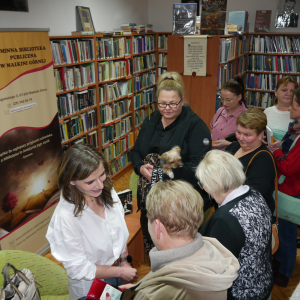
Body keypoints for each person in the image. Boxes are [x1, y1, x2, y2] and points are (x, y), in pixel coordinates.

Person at [131, 71, 212, 252]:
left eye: (173, 103)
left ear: (182, 101)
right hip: (151, 190)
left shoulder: (195, 125)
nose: (167, 108)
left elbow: (200, 165)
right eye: (162, 103)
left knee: (175, 242)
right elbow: (136, 151)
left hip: (181, 191)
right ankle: (153, 248)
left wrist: (162, 171)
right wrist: (140, 167)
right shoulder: (151, 120)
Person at [46, 144, 138, 300]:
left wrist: (125, 261)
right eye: (90, 182)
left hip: (116, 271)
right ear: (72, 181)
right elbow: (79, 268)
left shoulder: (105, 188)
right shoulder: (66, 217)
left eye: (102, 175)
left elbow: (118, 229)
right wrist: (120, 272)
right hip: (90, 286)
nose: (100, 185)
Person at [119, 180, 240, 300]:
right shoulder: (215, 254)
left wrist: (144, 294)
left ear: (158, 227)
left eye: (148, 218)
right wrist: (143, 288)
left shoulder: (152, 296)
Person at [197, 150, 273, 300]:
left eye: (202, 183)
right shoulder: (255, 194)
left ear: (214, 184)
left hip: (240, 294)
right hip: (263, 283)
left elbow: (216, 270)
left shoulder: (226, 219)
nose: (203, 188)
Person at [270, 88, 300, 287]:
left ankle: (285, 273)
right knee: (281, 230)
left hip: (291, 192)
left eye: (295, 104)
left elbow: (289, 167)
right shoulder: (296, 129)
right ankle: (279, 262)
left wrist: (278, 149)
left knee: (287, 234)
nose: (290, 106)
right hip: (287, 189)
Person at [225, 108, 276, 213]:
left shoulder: (264, 159)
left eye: (247, 135)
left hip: (251, 215)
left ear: (260, 135)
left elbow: (252, 194)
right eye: (239, 132)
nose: (241, 138)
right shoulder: (233, 147)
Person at [211, 76, 247, 150]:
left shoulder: (247, 117)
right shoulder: (220, 111)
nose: (224, 103)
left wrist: (228, 144)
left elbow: (250, 144)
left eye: (228, 100)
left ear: (239, 97)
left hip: (231, 158)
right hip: (214, 156)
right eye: (222, 99)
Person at [264, 76, 298, 151]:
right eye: (284, 90)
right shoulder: (267, 111)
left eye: (292, 91)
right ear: (276, 92)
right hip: (266, 155)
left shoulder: (297, 115)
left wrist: (282, 145)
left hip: (286, 158)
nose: (288, 94)